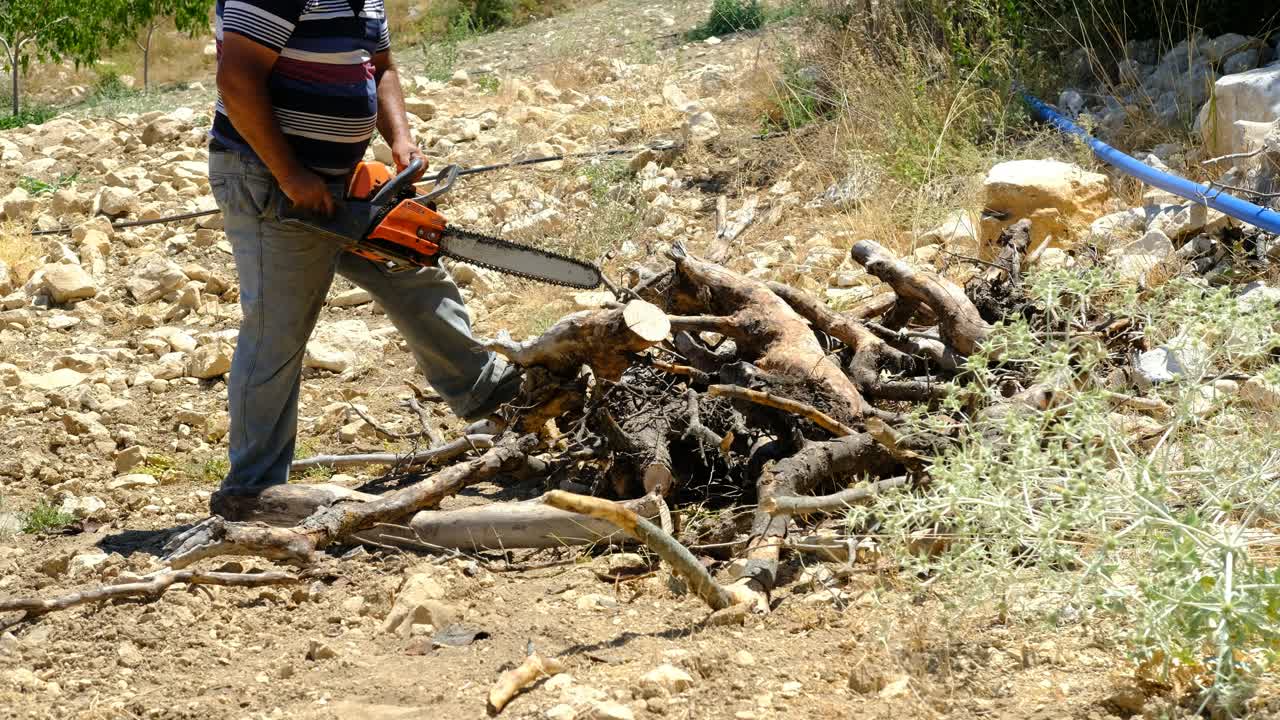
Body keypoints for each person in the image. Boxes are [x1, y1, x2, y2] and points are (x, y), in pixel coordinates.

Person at [206, 0, 518, 519]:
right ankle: (253, 491)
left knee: (414, 273)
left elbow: (382, 65)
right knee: (277, 330)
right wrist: (289, 174)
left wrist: (400, 138)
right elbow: (236, 80)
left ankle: (497, 400)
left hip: (344, 177)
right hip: (270, 179)